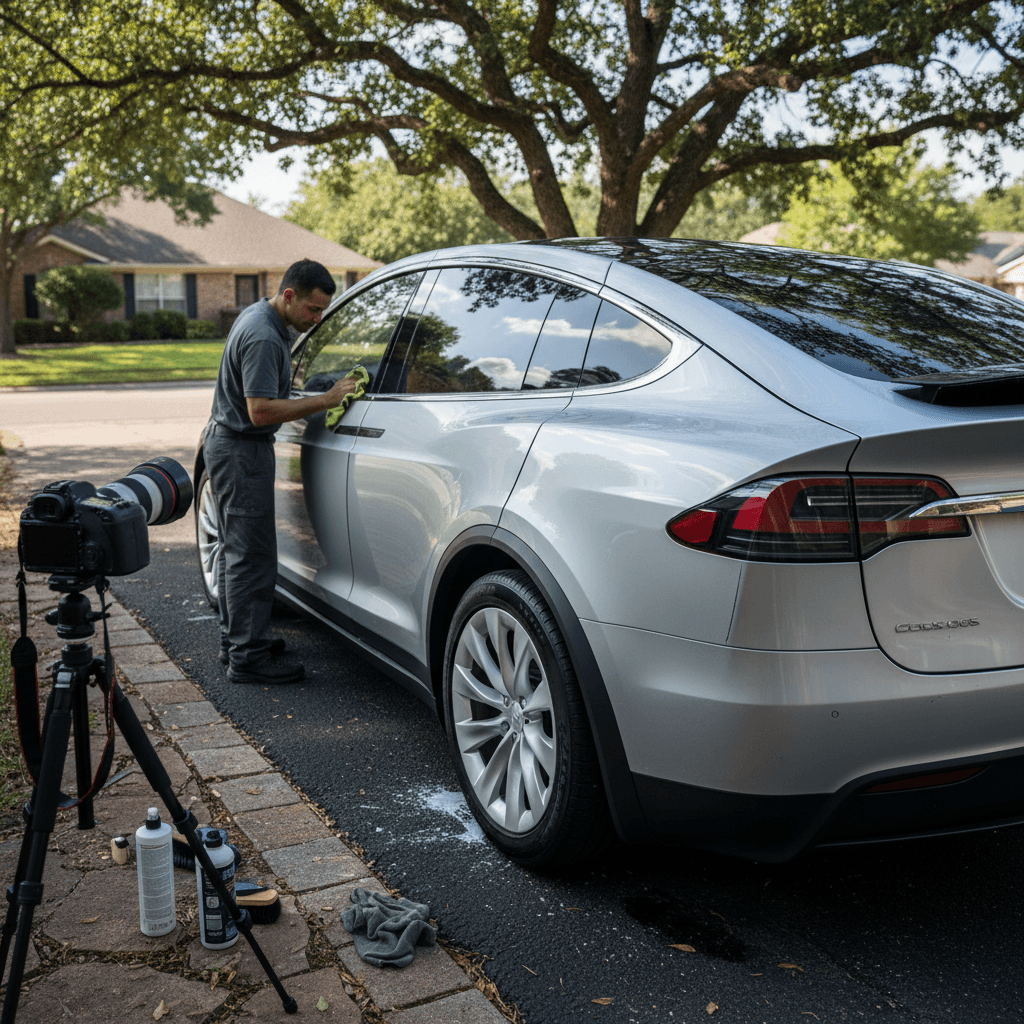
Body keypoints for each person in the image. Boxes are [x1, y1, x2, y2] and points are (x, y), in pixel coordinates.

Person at [205, 258, 359, 684]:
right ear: (288, 295)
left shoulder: (258, 316)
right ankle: (248, 657)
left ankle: (237, 640)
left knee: (240, 551)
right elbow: (260, 411)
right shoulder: (265, 337)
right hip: (242, 450)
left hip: (232, 446)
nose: (316, 319)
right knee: (251, 558)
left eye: (322, 311)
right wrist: (325, 400)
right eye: (312, 309)